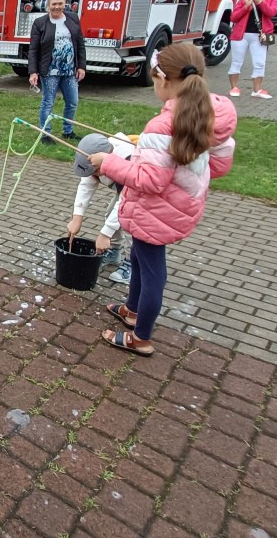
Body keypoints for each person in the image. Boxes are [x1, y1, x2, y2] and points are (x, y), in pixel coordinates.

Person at [87, 43, 236, 357]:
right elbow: (219, 165)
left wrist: (108, 162)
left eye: (154, 80)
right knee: (140, 259)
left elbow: (150, 180)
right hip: (180, 204)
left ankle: (141, 337)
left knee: (152, 270)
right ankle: (132, 309)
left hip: (158, 209)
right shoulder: (212, 114)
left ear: (165, 81)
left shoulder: (162, 125)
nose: (155, 86)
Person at [68, 132, 137, 284]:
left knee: (129, 224)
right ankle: (113, 252)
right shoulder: (93, 160)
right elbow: (86, 186)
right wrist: (77, 217)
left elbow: (125, 201)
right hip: (126, 195)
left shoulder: (128, 161)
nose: (95, 176)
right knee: (111, 212)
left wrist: (105, 234)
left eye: (96, 171)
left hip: (142, 197)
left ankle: (135, 263)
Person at [27, 0, 86, 141]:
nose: (57, 7)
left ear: (65, 3)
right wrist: (33, 71)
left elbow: (80, 44)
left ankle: (68, 131)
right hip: (50, 70)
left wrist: (81, 66)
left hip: (69, 70)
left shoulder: (73, 18)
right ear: (48, 5)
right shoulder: (40, 23)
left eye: (60, 3)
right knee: (48, 102)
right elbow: (33, 49)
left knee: (72, 102)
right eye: (54, 4)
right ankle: (45, 133)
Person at [227, 0, 277, 99]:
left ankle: (257, 90)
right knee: (236, 61)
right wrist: (245, 7)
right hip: (241, 34)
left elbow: (272, 13)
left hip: (261, 35)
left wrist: (260, 2)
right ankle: (234, 87)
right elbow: (233, 17)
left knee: (260, 62)